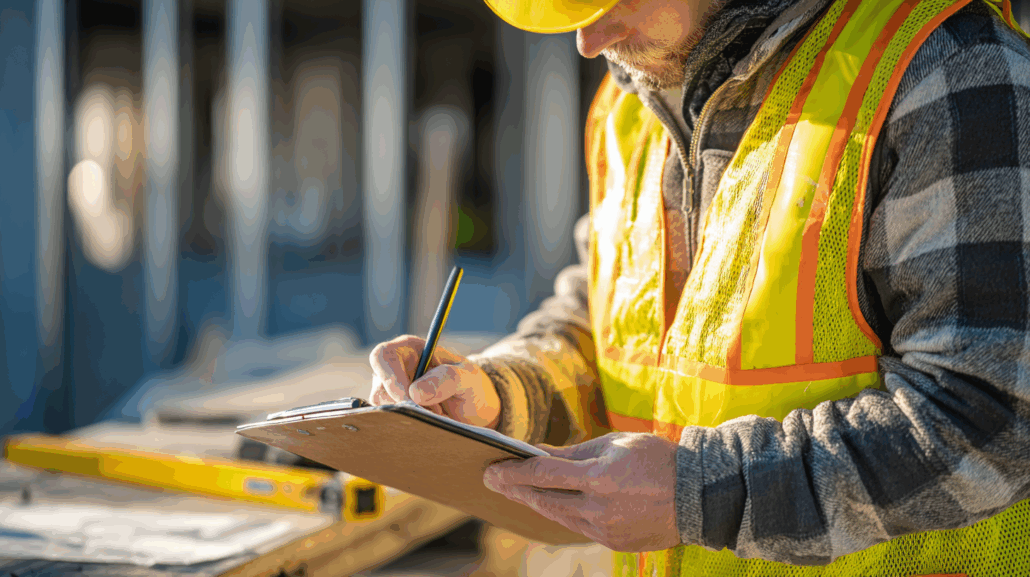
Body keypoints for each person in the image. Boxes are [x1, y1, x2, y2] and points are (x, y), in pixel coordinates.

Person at [369, 0, 1030, 573]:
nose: (589, 41)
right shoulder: (631, 103)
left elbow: (991, 421)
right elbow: (608, 322)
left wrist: (703, 492)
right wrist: (497, 392)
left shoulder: (944, 69)